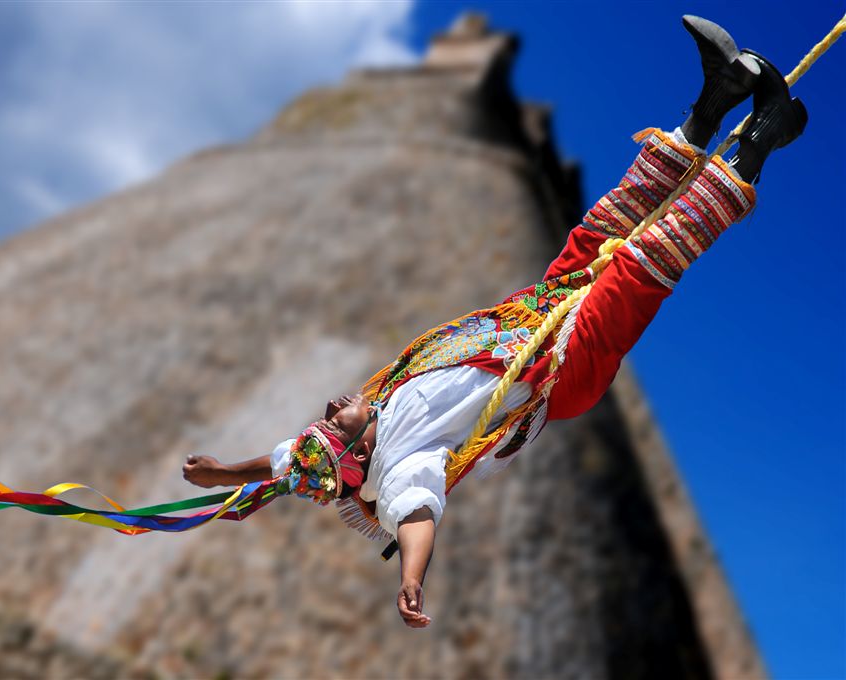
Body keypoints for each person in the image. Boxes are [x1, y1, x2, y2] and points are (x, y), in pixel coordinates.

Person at [182, 16, 807, 628]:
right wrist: (410, 579)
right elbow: (416, 516)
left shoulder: (378, 406)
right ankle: (763, 135)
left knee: (601, 230)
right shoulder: (399, 466)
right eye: (331, 421)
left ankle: (715, 97)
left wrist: (220, 473)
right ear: (355, 451)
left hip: (527, 322)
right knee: (645, 262)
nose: (330, 404)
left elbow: (285, 462)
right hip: (562, 376)